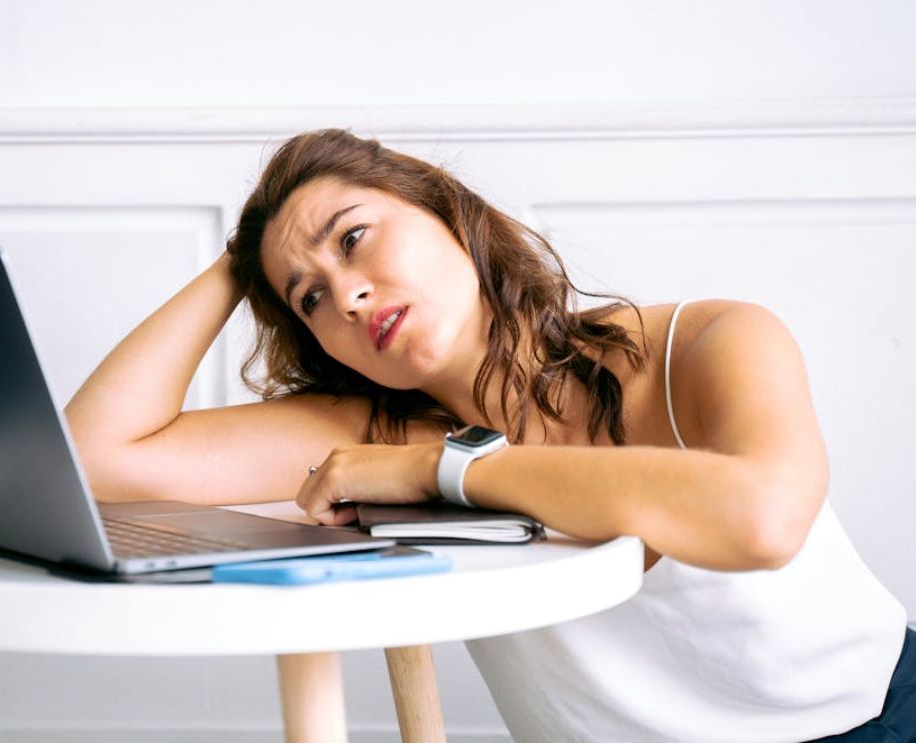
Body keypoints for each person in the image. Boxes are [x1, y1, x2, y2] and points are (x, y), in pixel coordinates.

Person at [65, 129, 913, 742]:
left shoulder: (698, 341)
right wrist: (246, 253)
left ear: (445, 208)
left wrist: (449, 469)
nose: (347, 295)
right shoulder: (369, 431)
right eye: (309, 297)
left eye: (353, 238)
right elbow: (98, 457)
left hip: (876, 714)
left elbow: (760, 521)